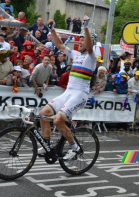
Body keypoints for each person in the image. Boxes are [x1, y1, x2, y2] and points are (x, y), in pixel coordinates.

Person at [37, 16, 97, 160]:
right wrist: (52, 30)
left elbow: (89, 46)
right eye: (80, 39)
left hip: (80, 95)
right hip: (68, 93)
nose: (80, 42)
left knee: (58, 120)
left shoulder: (92, 57)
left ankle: (74, 148)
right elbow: (59, 45)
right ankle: (47, 145)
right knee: (43, 114)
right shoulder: (75, 55)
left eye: (83, 40)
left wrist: (86, 27)